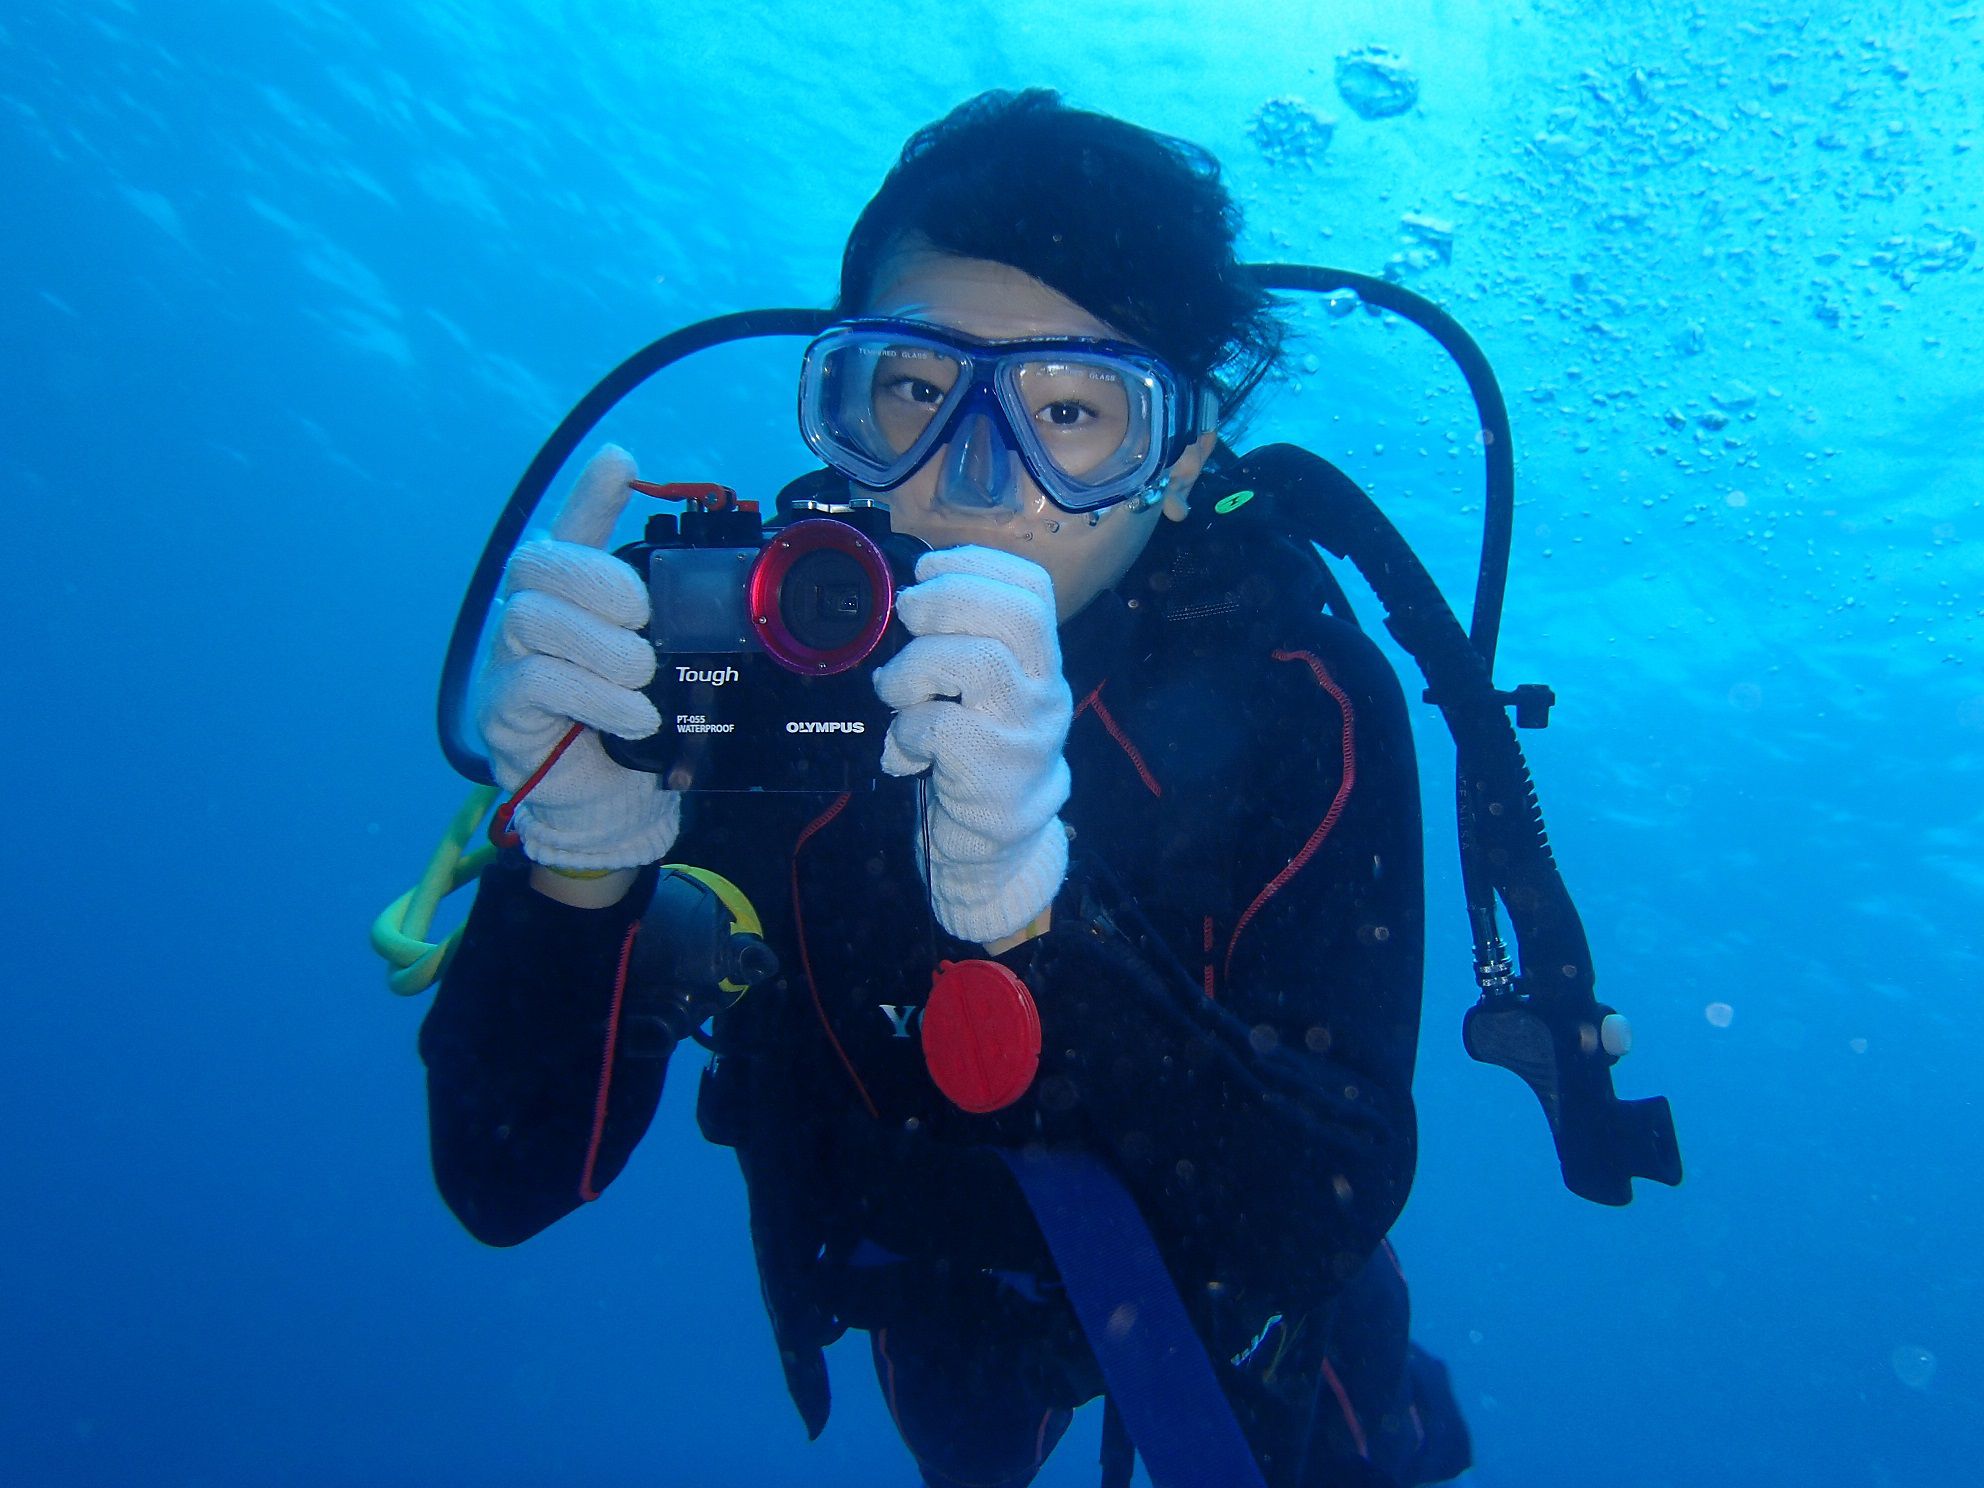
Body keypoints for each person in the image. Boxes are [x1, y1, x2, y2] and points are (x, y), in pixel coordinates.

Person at [419, 90, 1471, 1488]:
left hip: (1236, 1283)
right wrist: (579, 863)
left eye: (1074, 414)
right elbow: (507, 1185)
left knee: (1336, 1415)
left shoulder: (1297, 694)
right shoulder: (755, 646)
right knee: (971, 1425)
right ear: (841, 407)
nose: (977, 483)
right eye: (915, 391)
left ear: (1181, 462)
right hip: (916, 1257)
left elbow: (1318, 1209)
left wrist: (1037, 921)